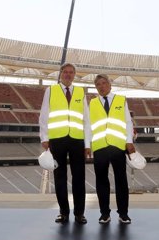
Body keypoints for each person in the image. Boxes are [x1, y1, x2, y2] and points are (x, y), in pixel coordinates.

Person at [39, 63, 91, 224]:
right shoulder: (51, 90)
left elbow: (86, 119)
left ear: (74, 75)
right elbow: (44, 114)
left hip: (77, 140)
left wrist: (87, 143)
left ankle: (79, 213)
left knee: (79, 178)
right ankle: (63, 212)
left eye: (71, 72)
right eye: (65, 72)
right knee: (60, 177)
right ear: (61, 74)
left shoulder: (80, 92)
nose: (68, 75)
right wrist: (44, 138)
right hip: (57, 139)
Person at [90, 74, 136, 224]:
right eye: (98, 84)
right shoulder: (92, 103)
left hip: (117, 146)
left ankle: (123, 213)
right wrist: (88, 145)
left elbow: (128, 123)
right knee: (101, 181)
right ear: (96, 88)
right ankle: (104, 213)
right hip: (100, 146)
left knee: (121, 181)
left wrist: (129, 141)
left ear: (110, 85)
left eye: (104, 83)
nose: (101, 86)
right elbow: (88, 126)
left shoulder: (121, 100)